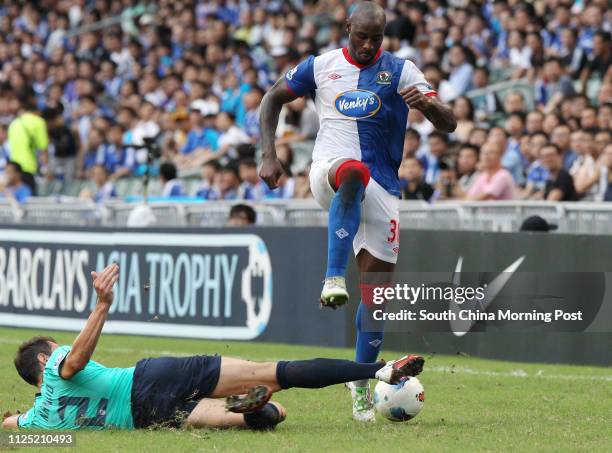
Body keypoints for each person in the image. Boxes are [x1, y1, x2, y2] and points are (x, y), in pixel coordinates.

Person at [258, 1, 455, 422]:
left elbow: (449, 122)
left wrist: (427, 106)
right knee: (353, 171)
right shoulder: (320, 65)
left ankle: (362, 383)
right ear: (347, 28)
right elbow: (272, 98)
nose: (367, 45)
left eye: (376, 38)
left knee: (378, 299)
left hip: (384, 187)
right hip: (330, 172)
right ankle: (333, 276)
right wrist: (268, 155)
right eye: (360, 36)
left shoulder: (402, 71)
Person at [3, 263, 425, 431]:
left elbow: (12, 430)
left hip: (149, 417)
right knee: (275, 373)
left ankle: (247, 406)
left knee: (271, 417)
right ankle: (375, 371)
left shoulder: (39, 422)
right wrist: (102, 304)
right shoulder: (57, 362)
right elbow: (74, 362)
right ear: (44, 358)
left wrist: (15, 420)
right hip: (151, 378)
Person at [7, 88, 49, 195]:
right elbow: (43, 149)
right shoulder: (39, 122)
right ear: (37, 111)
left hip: (13, 169)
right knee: (30, 203)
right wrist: (45, 169)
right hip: (29, 169)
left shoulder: (14, 123)